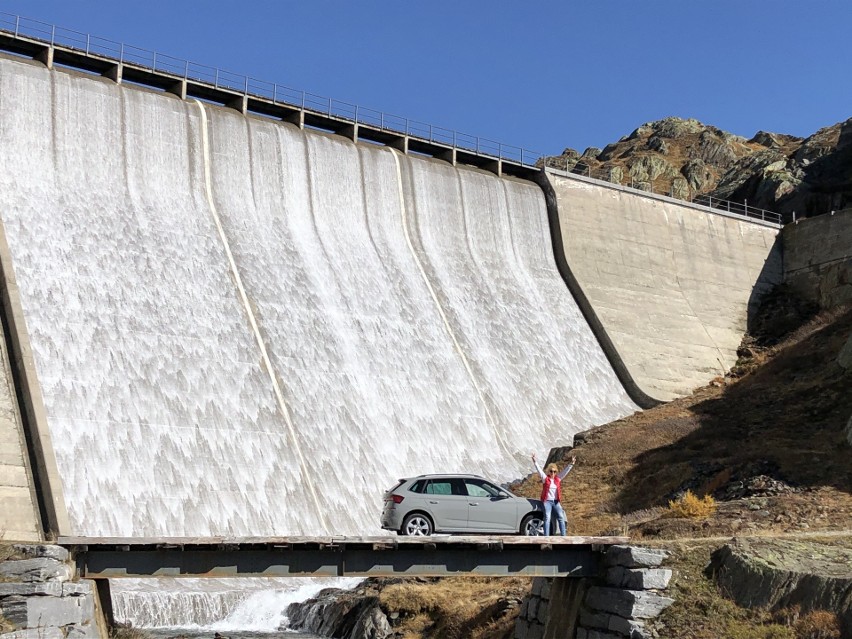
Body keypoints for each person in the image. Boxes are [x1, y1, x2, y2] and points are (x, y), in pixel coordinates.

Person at [531, 452, 575, 536]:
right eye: (551, 471)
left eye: (554, 471)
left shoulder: (558, 479)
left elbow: (565, 472)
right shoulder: (545, 479)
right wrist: (534, 461)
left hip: (555, 501)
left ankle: (563, 536)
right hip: (547, 501)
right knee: (547, 518)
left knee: (561, 517)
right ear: (548, 471)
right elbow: (539, 470)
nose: (553, 473)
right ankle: (546, 537)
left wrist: (571, 464)